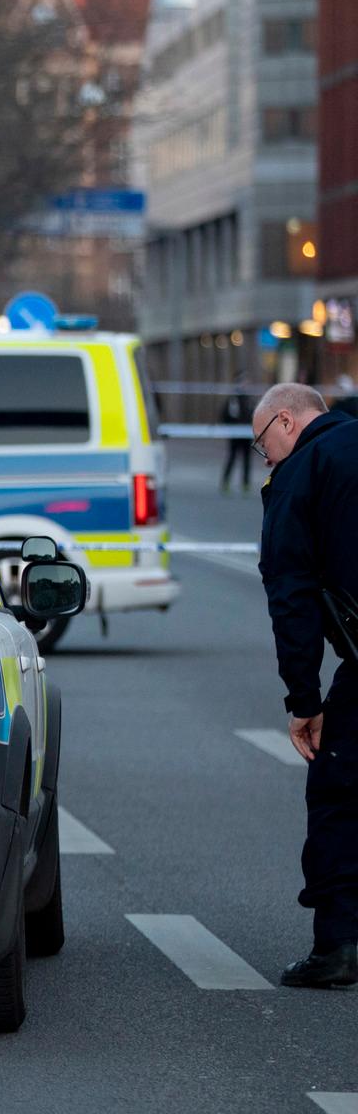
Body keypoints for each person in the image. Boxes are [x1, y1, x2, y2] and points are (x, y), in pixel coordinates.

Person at [254, 382, 358, 988]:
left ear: (287, 422)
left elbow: (290, 595)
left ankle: (337, 948)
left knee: (340, 793)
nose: (264, 457)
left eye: (262, 443)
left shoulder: (303, 473)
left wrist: (304, 701)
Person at [220, 378, 253, 494]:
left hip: (247, 435)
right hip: (235, 435)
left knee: (247, 460)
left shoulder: (249, 399)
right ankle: (225, 483)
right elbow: (224, 415)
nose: (245, 384)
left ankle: (246, 484)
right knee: (232, 458)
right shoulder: (232, 399)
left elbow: (253, 414)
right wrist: (231, 428)